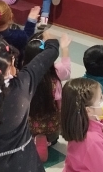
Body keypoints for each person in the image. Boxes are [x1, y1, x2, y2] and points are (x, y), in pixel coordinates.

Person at [0, 31, 62, 172]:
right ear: (11, 64)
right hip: (27, 162)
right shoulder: (23, 84)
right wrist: (51, 41)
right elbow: (51, 53)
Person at [25, 34, 72, 162]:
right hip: (52, 124)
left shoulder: (22, 78)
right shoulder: (56, 73)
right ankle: (49, 140)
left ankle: (33, 139)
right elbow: (67, 70)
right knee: (54, 138)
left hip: (28, 125)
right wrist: (64, 48)